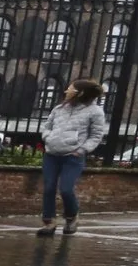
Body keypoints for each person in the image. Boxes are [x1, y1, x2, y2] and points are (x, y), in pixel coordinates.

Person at [37, 78, 107, 237]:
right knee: (49, 188)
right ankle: (49, 222)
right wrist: (48, 137)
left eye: (70, 89)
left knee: (66, 189)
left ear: (79, 93)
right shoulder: (59, 109)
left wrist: (82, 150)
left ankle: (71, 216)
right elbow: (47, 126)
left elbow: (96, 135)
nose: (66, 91)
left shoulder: (95, 111)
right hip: (51, 154)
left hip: (72, 157)